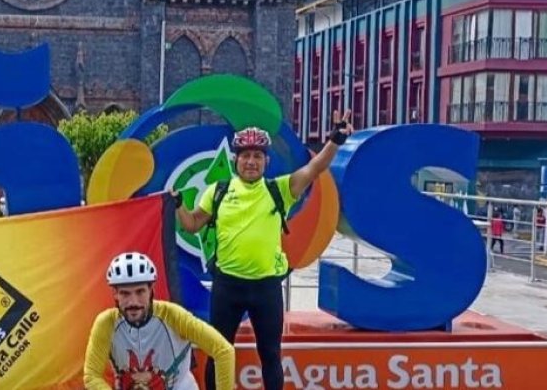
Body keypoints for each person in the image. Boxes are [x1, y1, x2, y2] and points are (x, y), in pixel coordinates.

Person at [175, 111, 354, 390]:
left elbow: (315, 168)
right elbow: (193, 223)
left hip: (266, 288)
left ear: (266, 161)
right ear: (236, 159)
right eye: (245, 155)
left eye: (257, 156)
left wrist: (336, 139)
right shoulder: (218, 190)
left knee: (270, 356)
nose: (250, 161)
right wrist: (177, 206)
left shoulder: (278, 189)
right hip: (227, 287)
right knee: (217, 353)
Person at [84, 252, 235, 390]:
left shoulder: (173, 316)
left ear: (151, 290)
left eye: (140, 291)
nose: (133, 302)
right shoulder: (106, 323)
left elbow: (223, 351)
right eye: (125, 293)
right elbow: (92, 375)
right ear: (115, 294)